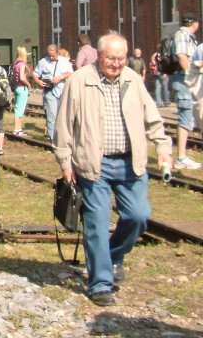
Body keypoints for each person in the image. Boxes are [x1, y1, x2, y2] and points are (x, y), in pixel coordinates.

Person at [53, 32, 172, 306]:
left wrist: (163, 148)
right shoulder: (80, 81)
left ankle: (112, 254)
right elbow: (63, 124)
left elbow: (152, 118)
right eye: (111, 58)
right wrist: (65, 161)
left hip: (131, 162)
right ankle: (100, 283)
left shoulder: (132, 79)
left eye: (120, 58)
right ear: (99, 56)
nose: (116, 64)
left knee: (138, 216)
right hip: (94, 163)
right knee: (96, 222)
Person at [170, 14, 201, 170]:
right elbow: (182, 56)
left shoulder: (188, 36)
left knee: (189, 117)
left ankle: (182, 157)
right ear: (194, 24)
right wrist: (192, 77)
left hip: (186, 81)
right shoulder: (183, 35)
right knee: (185, 117)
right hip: (184, 82)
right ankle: (181, 158)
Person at [31, 44, 74, 142]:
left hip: (62, 91)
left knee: (63, 116)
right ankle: (53, 139)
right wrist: (38, 81)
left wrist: (61, 77)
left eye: (53, 55)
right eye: (49, 55)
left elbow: (71, 73)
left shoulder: (64, 61)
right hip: (50, 92)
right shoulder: (43, 62)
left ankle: (63, 137)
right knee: (52, 116)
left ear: (57, 52)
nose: (51, 57)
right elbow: (35, 73)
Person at [11, 46, 31, 136]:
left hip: (16, 88)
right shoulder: (22, 64)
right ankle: (17, 129)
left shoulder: (16, 64)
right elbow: (22, 78)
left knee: (18, 108)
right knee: (20, 109)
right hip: (22, 88)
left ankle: (18, 129)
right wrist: (28, 84)